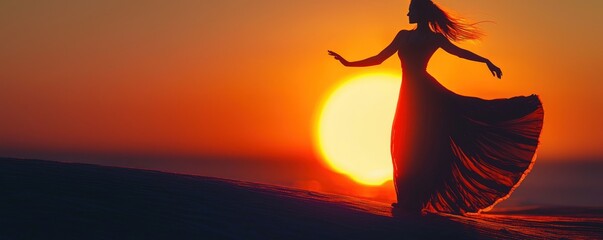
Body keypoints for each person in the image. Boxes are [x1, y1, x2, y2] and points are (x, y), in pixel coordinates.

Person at [328, 0, 544, 215]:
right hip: (409, 94)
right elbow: (378, 59)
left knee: (421, 145)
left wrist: (485, 60)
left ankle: (412, 202)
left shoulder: (434, 38)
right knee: (404, 142)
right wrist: (348, 63)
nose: (407, 14)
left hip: (426, 95)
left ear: (421, 13)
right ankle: (408, 199)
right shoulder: (403, 36)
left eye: (411, 10)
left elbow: (459, 53)